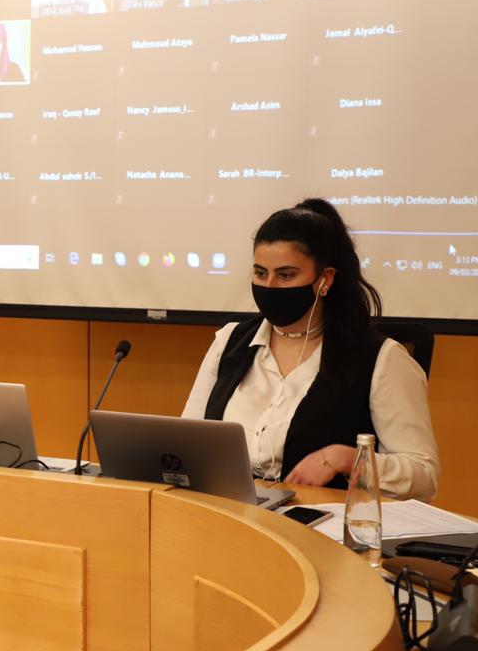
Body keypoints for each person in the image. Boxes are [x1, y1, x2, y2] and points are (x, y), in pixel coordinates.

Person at [181, 199, 439, 500]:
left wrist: (347, 459)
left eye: (286, 275)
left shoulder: (381, 358)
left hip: (320, 527)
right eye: (260, 273)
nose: (270, 285)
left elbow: (424, 475)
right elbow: (186, 442)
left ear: (324, 280)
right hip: (228, 514)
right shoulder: (229, 341)